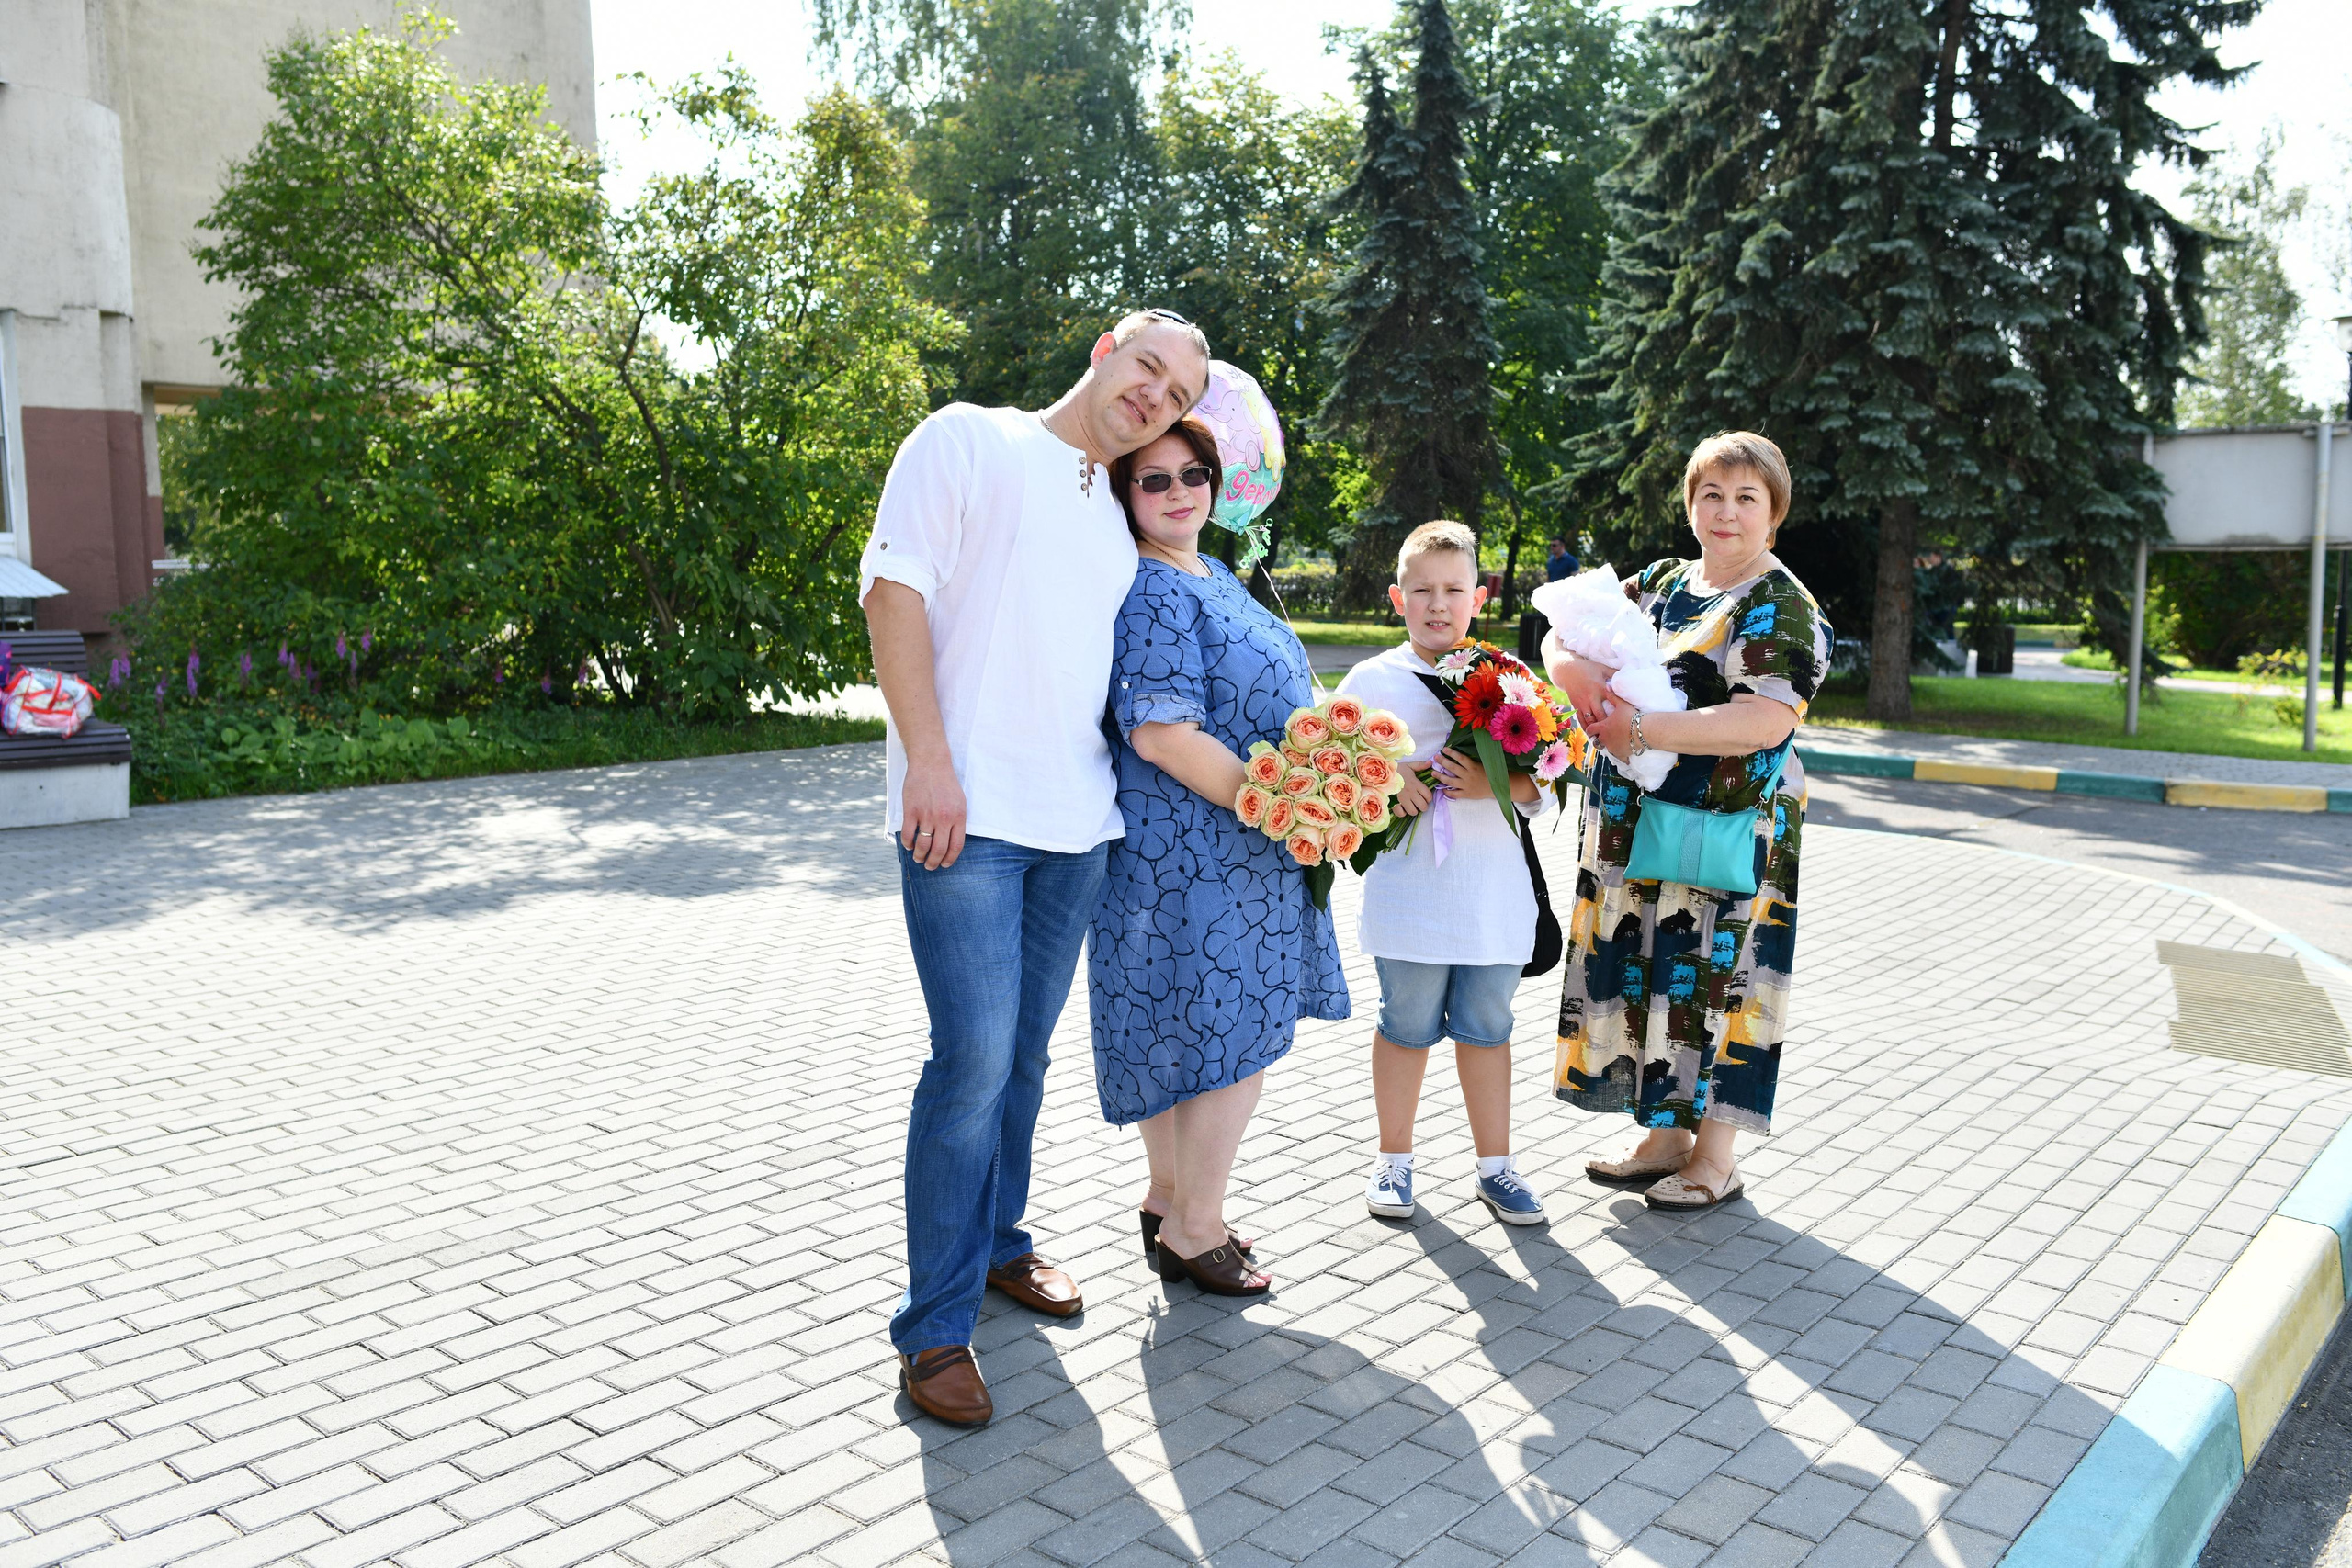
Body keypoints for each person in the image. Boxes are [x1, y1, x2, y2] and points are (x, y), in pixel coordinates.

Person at [859, 309, 1212, 1427]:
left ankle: (1001, 1242)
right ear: (1108, 349)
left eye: (1181, 392)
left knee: (1022, 1062)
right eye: (1150, 365)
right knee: (967, 1063)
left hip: (1078, 829)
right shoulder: (968, 437)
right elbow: (892, 592)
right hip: (963, 818)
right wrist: (927, 762)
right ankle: (934, 1330)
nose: (1157, 394)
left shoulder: (1117, 515)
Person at [1087, 416, 1346, 1297]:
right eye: (1151, 479)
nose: (1176, 492)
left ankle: (1171, 1202)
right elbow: (1162, 733)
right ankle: (1199, 1223)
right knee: (1230, 1036)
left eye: (1191, 472)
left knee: (1184, 1033)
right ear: (1124, 494)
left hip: (1222, 848)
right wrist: (1282, 806)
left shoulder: (1216, 571)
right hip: (1203, 851)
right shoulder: (1155, 588)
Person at [1544, 431, 1832, 1212]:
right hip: (1638, 830)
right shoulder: (1667, 581)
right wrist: (1576, 679)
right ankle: (1665, 1137)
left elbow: (1760, 725)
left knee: (1715, 980)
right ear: (1690, 504)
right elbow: (1559, 626)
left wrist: (1638, 732)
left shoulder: (1782, 605)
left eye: (1747, 498)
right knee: (1646, 968)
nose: (1726, 512)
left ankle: (1715, 1157)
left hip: (1725, 833)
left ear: (1773, 515)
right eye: (1712, 495)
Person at [1338, 521, 1555, 1228]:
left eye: (1454, 589)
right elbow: (1333, 771)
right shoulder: (1371, 681)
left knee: (1488, 1025)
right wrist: (1386, 775)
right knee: (1405, 1023)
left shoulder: (1513, 680)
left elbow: (1543, 782)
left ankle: (1497, 1168)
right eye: (1422, 591)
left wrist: (1495, 784)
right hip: (1411, 895)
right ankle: (1393, 1160)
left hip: (1492, 893)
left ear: (1480, 597)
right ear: (1397, 598)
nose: (1438, 604)